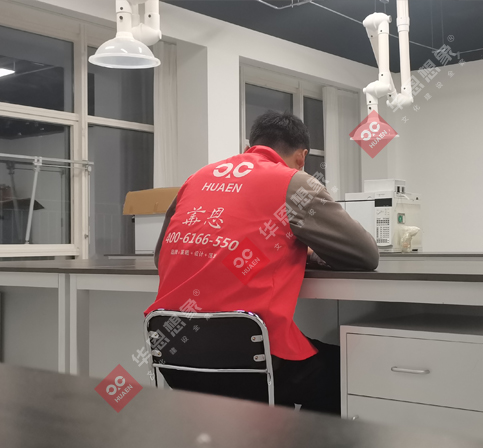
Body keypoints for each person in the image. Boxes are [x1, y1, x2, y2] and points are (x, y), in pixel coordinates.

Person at [146, 111, 380, 415]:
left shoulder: (196, 178)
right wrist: (306, 252)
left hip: (174, 358)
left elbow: (160, 257)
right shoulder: (294, 183)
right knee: (341, 369)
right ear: (302, 156)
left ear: (250, 145)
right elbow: (365, 255)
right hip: (252, 366)